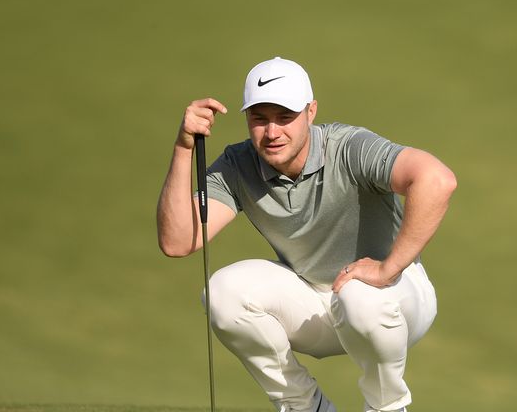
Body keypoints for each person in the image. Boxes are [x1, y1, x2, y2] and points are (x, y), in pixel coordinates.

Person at [157, 57, 457, 412]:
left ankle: (387, 407)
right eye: (259, 118)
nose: (272, 133)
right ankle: (305, 407)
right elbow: (177, 241)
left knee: (361, 296)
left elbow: (437, 180)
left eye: (285, 118)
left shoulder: (347, 147)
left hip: (395, 301)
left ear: (310, 112)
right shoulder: (238, 165)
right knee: (222, 293)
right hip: (315, 302)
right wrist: (183, 148)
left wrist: (387, 268)